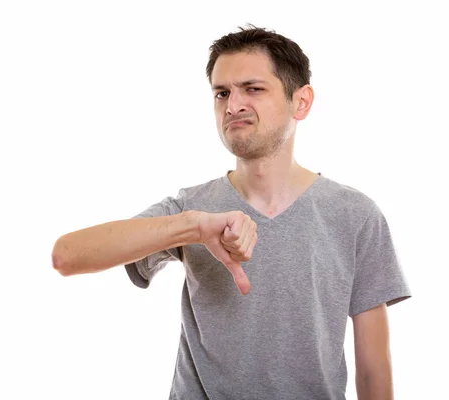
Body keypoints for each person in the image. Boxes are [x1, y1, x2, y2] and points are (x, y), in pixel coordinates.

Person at [51, 24, 411, 400]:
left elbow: (373, 370)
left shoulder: (355, 215)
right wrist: (191, 227)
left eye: (253, 89)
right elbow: (67, 255)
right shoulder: (189, 208)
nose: (233, 105)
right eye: (222, 93)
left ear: (301, 101)